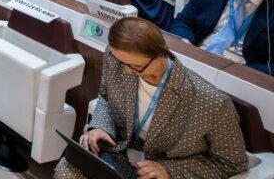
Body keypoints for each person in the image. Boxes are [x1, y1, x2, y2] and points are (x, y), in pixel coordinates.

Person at [53, 17, 248, 179]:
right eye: (122, 63)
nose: (127, 71)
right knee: (67, 171)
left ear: (161, 54)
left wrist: (170, 171)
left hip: (163, 168)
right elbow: (105, 97)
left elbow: (232, 163)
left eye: (137, 67)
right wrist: (100, 126)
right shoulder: (117, 59)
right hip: (120, 153)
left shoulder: (211, 102)